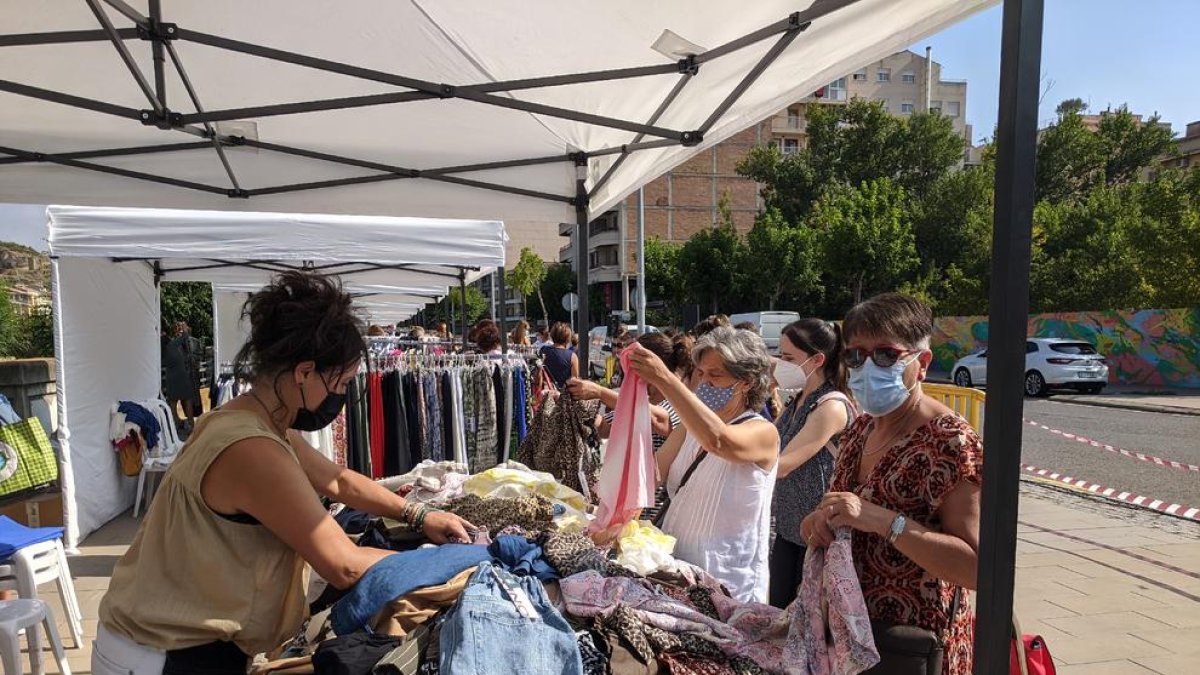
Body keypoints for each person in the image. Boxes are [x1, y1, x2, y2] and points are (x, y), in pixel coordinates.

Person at [93, 272, 473, 675]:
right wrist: (456, 560)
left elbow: (338, 481)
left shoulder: (249, 420)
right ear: (304, 372)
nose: (340, 397)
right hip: (163, 656)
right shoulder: (252, 449)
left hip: (165, 645)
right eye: (340, 383)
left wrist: (420, 515)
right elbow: (342, 564)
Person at [800, 293, 981, 675]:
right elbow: (840, 511)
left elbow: (977, 567)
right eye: (854, 355)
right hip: (850, 642)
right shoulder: (860, 428)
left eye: (885, 354)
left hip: (912, 648)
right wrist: (818, 523)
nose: (867, 367)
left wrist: (886, 522)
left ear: (923, 363)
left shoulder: (951, 441)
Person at [626, 326, 780, 602]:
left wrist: (664, 379)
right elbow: (652, 474)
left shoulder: (763, 432)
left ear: (746, 382)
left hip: (728, 587)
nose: (704, 383)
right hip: (677, 573)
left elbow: (719, 441)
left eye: (715, 375)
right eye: (701, 373)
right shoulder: (689, 426)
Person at [768, 319, 855, 608]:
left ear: (817, 359)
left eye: (788, 358)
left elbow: (782, 464)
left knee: (806, 625)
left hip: (815, 536)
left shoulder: (830, 405)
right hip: (788, 528)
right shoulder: (796, 402)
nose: (781, 364)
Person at [162, 322, 200, 432]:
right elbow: (185, 336)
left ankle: (176, 424)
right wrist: (184, 328)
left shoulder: (163, 349)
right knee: (187, 400)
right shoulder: (173, 345)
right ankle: (191, 425)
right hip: (181, 376)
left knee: (173, 402)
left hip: (171, 378)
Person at [538, 322, 579, 390]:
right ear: (568, 338)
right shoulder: (572, 356)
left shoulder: (543, 350)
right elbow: (574, 380)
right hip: (564, 395)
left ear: (552, 335)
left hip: (546, 393)